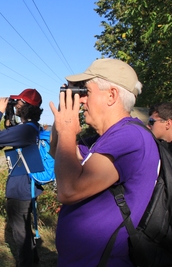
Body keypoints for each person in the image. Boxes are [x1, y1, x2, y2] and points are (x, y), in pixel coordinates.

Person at [49, 58, 160, 266]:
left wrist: (67, 129)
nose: (81, 100)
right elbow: (59, 152)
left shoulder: (130, 137)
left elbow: (69, 190)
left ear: (111, 95)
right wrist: (62, 117)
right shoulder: (103, 140)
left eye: (86, 93)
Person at [0, 88, 43, 267]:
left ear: (26, 106)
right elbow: (9, 133)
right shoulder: (32, 128)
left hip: (20, 189)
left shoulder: (25, 130)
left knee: (21, 236)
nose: (15, 104)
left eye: (18, 102)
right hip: (29, 186)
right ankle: (34, 262)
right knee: (25, 231)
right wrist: (8, 117)